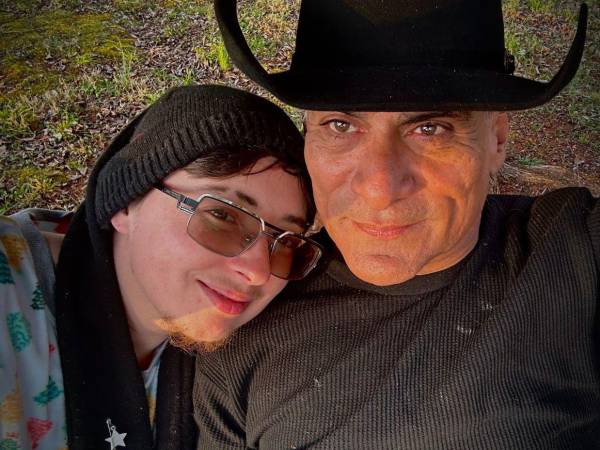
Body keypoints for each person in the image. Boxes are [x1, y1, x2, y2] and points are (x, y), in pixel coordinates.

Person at [193, 0, 599, 448]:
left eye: (431, 129)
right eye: (340, 125)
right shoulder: (243, 319)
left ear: (497, 139)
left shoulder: (576, 253)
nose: (379, 189)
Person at [0, 85, 323, 450]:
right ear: (126, 201)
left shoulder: (244, 363)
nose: (259, 272)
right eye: (222, 216)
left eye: (285, 241)